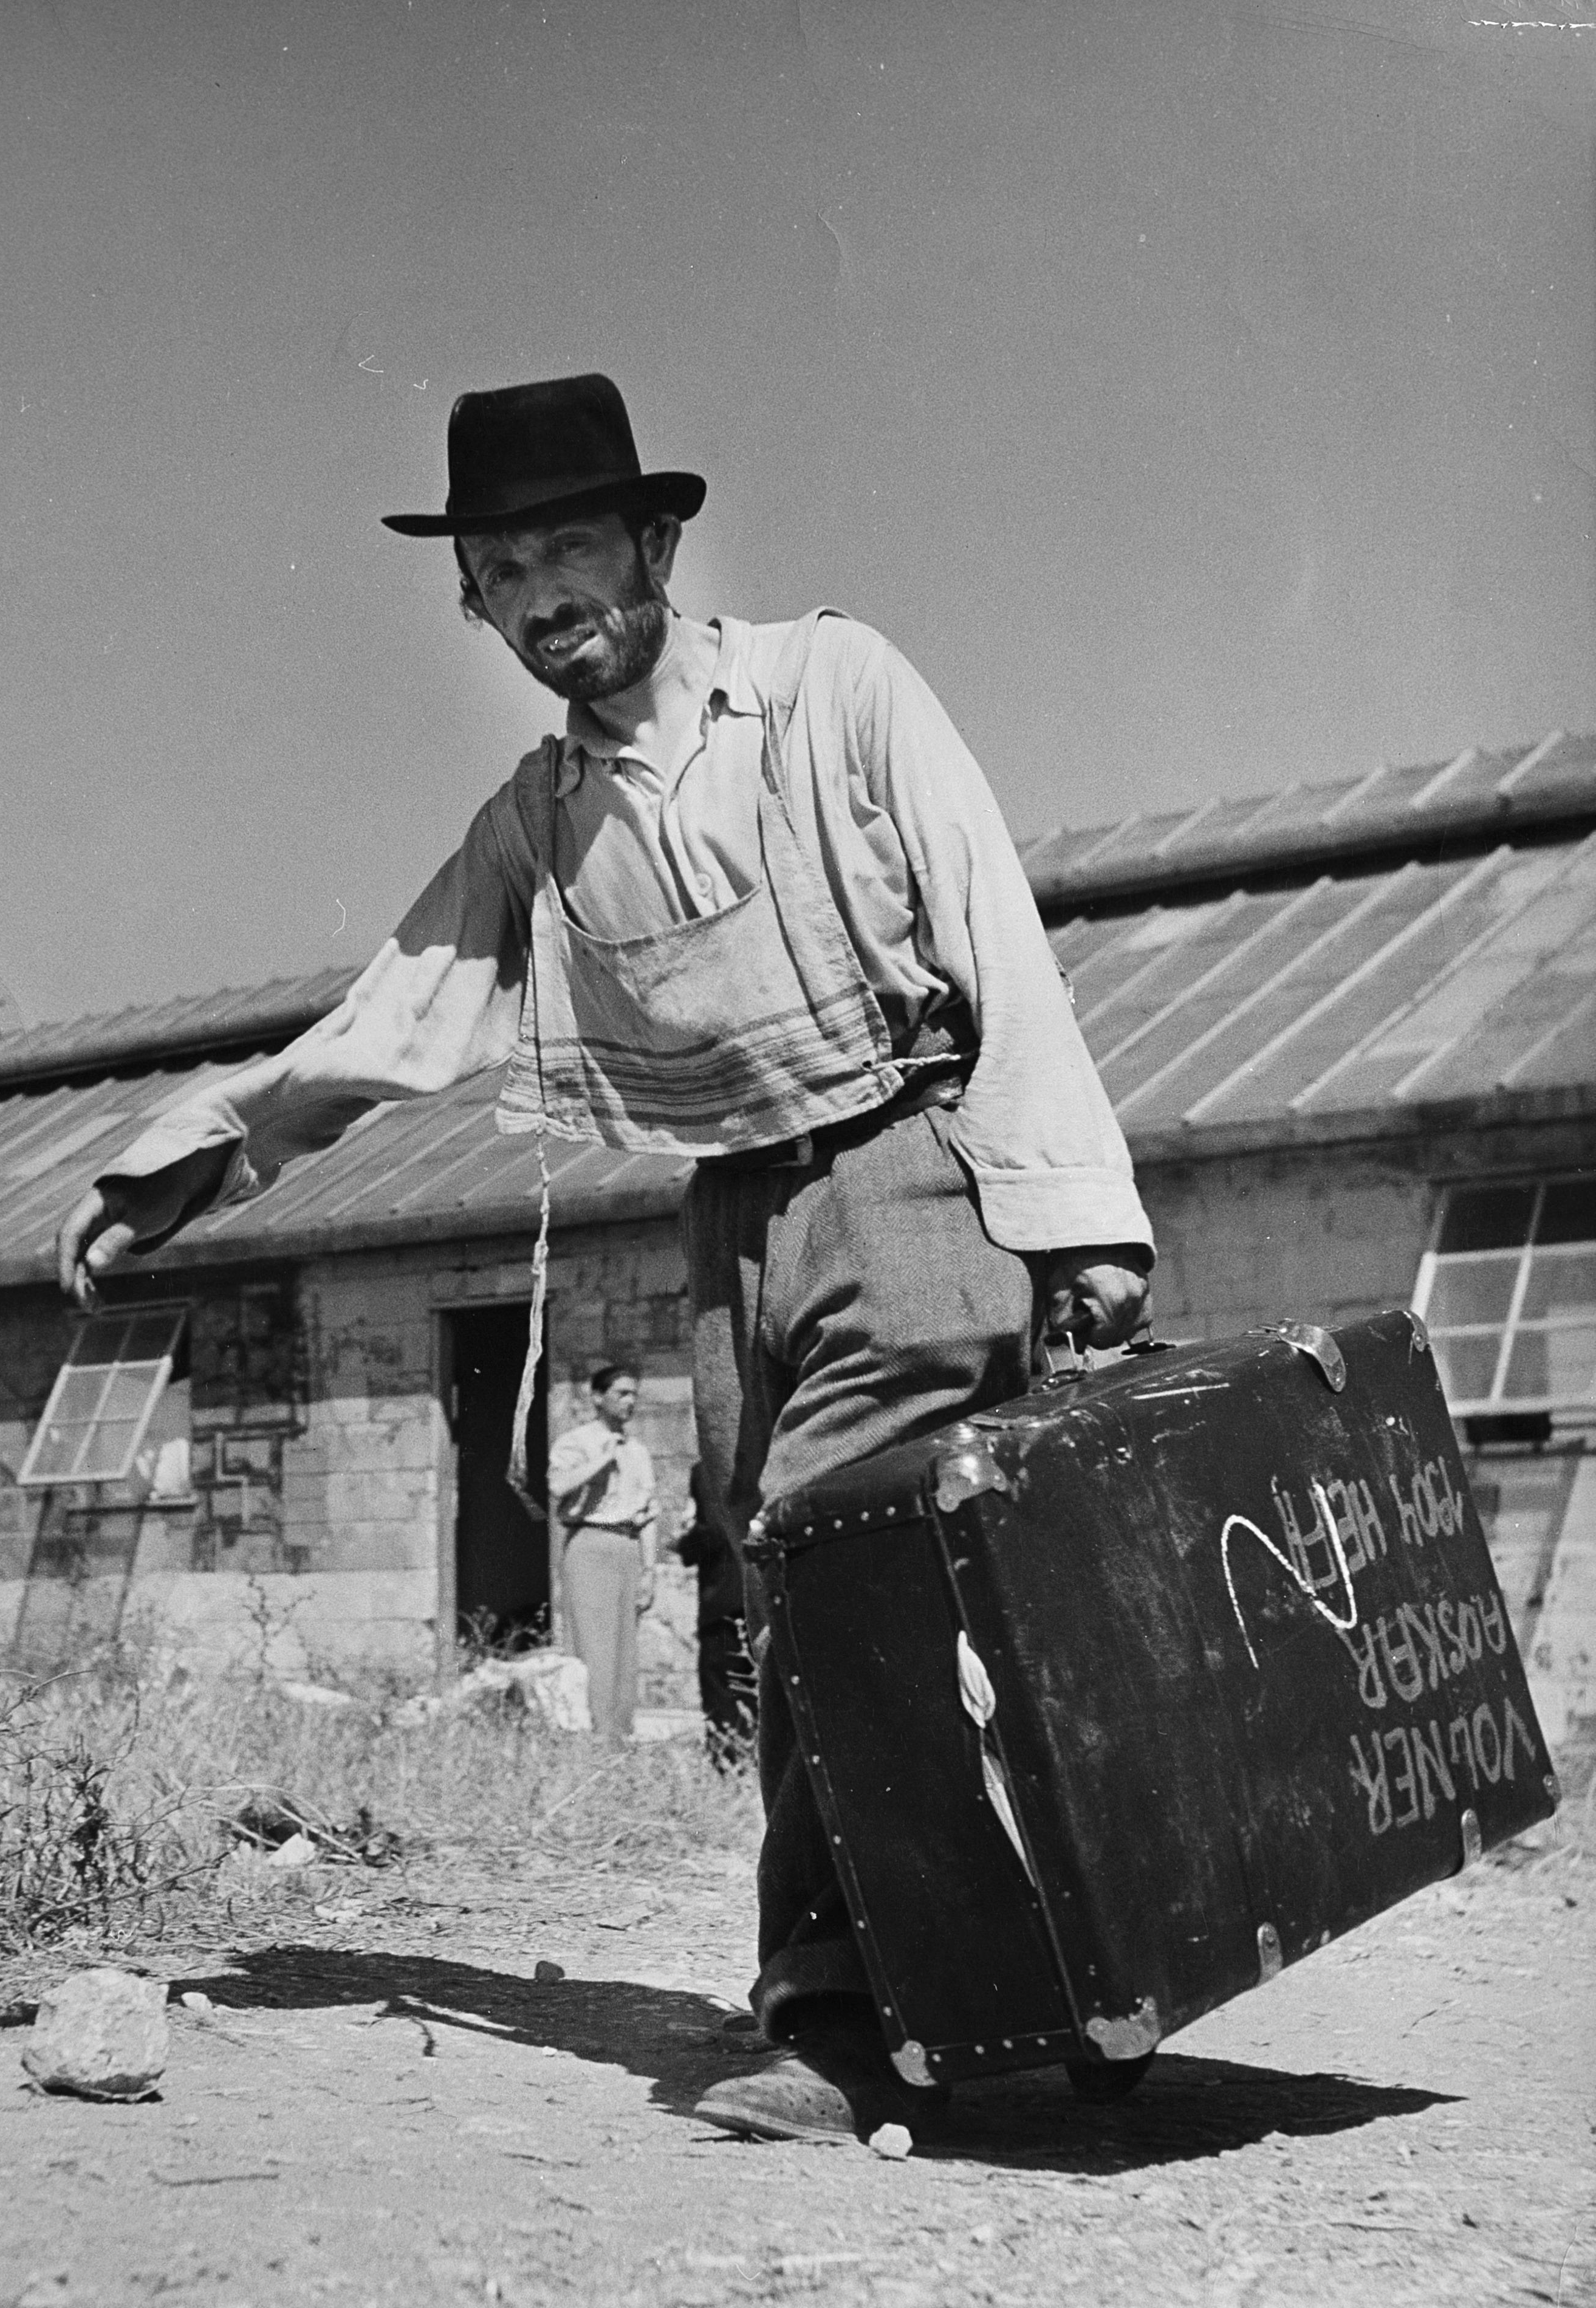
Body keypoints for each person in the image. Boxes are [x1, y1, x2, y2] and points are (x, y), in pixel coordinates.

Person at [56, 372, 1152, 2148]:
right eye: (500, 567)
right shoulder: (536, 818)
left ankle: (880, 2012)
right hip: (730, 1222)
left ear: (655, 541)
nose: (543, 590)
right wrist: (188, 1161)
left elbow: (988, 923)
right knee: (797, 1599)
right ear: (472, 604)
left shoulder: (828, 688)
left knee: (851, 1553)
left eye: (571, 544)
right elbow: (395, 1011)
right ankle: (999, 1984)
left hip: (915, 1170)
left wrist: (1072, 1211)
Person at [546, 1362, 659, 1741]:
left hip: (627, 1547)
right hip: (589, 1544)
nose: (630, 1402)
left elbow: (647, 1514)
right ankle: (593, 1739)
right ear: (598, 1398)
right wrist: (602, 1460)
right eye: (621, 1393)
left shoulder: (639, 1452)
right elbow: (558, 1488)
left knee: (625, 1652)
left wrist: (650, 1570)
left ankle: (619, 1740)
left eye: (634, 1395)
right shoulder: (575, 1443)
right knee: (593, 1649)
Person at [672, 1459, 757, 1768]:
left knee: (721, 1682)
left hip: (724, 1591)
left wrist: (684, 1546)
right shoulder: (763, 1456)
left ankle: (730, 1763)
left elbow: (717, 1531)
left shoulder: (709, 1468)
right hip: (759, 1588)